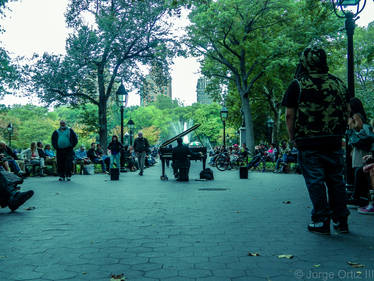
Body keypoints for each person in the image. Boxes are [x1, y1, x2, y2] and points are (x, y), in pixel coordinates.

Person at [283, 45, 349, 234]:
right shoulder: (337, 83)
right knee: (336, 180)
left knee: (315, 180)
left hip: (309, 141)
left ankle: (321, 220)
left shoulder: (298, 84)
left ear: (304, 62)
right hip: (334, 140)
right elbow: (346, 110)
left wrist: (292, 137)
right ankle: (341, 220)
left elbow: (290, 115)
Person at [345, 98, 373, 209]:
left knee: (359, 170)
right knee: (359, 171)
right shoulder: (360, 115)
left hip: (361, 149)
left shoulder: (356, 116)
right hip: (361, 148)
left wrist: (350, 128)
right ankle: (360, 196)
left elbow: (358, 130)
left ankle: (359, 197)